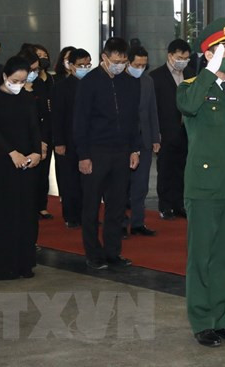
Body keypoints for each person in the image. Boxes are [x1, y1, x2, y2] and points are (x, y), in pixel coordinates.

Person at [177, 18, 225, 347]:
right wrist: (209, 71)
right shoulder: (191, 86)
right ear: (209, 54)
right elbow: (189, 106)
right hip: (205, 186)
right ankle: (201, 321)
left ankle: (222, 318)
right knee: (202, 257)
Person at [73, 37, 141, 270]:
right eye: (116, 61)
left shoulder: (130, 83)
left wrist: (135, 149)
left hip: (122, 151)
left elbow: (134, 120)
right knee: (91, 206)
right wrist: (83, 155)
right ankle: (93, 253)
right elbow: (80, 121)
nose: (120, 65)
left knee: (117, 205)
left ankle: (113, 252)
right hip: (95, 151)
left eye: (123, 61)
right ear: (104, 57)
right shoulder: (89, 82)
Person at [0, 56, 42, 280]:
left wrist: (36, 151)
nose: (19, 84)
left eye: (23, 80)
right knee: (3, 213)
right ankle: (1, 266)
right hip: (3, 160)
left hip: (27, 160)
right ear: (6, 76)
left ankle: (24, 263)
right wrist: (12, 153)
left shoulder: (27, 97)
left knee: (26, 212)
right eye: (15, 80)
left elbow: (34, 126)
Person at [151, 39, 196, 220]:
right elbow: (152, 108)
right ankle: (165, 205)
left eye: (186, 58)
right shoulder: (156, 77)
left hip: (187, 132)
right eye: (179, 57)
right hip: (166, 131)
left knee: (183, 170)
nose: (183, 61)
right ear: (170, 55)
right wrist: (156, 133)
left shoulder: (191, 74)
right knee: (166, 170)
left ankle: (179, 204)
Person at [52, 48, 91, 228]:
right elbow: (57, 116)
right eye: (80, 65)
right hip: (67, 140)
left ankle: (87, 215)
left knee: (88, 181)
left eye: (87, 65)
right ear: (71, 66)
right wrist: (58, 142)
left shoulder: (93, 84)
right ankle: (71, 215)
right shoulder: (62, 87)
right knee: (70, 180)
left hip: (90, 141)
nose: (84, 68)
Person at [125, 46, 159, 237]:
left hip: (144, 140)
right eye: (137, 64)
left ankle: (138, 222)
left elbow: (152, 110)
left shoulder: (147, 81)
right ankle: (121, 222)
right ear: (128, 63)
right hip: (123, 141)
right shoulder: (120, 80)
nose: (140, 68)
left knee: (141, 185)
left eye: (144, 65)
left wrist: (155, 137)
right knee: (121, 185)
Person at [30, 44, 55, 220]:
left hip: (46, 130)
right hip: (30, 133)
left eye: (44, 55)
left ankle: (41, 205)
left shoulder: (49, 80)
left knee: (43, 171)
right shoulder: (29, 83)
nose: (42, 59)